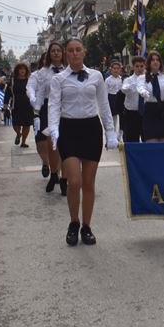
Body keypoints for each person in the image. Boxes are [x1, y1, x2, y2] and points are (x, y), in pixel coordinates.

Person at [48, 39, 117, 246]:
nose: (75, 53)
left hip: (91, 129)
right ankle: (73, 222)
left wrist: (110, 131)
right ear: (66, 54)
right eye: (70, 50)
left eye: (78, 49)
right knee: (74, 182)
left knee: (88, 183)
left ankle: (86, 226)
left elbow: (103, 105)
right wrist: (53, 128)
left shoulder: (96, 76)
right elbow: (53, 105)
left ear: (84, 52)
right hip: (68, 129)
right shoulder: (58, 79)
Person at [27, 43, 66, 193]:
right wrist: (35, 105)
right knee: (49, 142)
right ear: (49, 54)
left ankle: (61, 176)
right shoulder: (41, 73)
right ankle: (51, 169)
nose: (56, 53)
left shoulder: (69, 70)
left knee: (63, 142)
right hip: (47, 108)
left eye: (58, 50)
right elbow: (33, 89)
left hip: (65, 108)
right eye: (53, 51)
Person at [137, 51, 164, 142]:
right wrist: (143, 92)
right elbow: (140, 87)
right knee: (152, 143)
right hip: (150, 110)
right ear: (149, 62)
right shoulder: (142, 77)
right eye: (153, 60)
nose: (155, 62)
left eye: (157, 60)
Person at [5, 63, 33, 148]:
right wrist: (5, 104)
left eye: (24, 69)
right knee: (15, 123)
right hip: (16, 105)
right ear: (17, 70)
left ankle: (23, 142)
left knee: (26, 124)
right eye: (20, 69)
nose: (22, 70)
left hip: (28, 105)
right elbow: (7, 93)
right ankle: (18, 133)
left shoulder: (30, 80)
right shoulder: (12, 81)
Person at [121, 56, 147, 143]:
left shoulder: (149, 79)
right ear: (133, 67)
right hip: (131, 114)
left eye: (141, 66)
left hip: (146, 113)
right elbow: (124, 89)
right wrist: (132, 86)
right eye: (137, 66)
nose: (139, 68)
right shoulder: (128, 80)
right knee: (132, 139)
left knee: (147, 139)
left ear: (145, 66)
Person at [106, 61, 125, 140]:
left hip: (121, 98)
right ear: (111, 70)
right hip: (111, 98)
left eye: (118, 68)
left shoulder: (122, 79)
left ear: (120, 70)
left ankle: (120, 135)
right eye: (114, 68)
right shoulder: (108, 80)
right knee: (113, 118)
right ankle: (113, 135)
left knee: (122, 117)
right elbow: (105, 92)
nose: (116, 70)